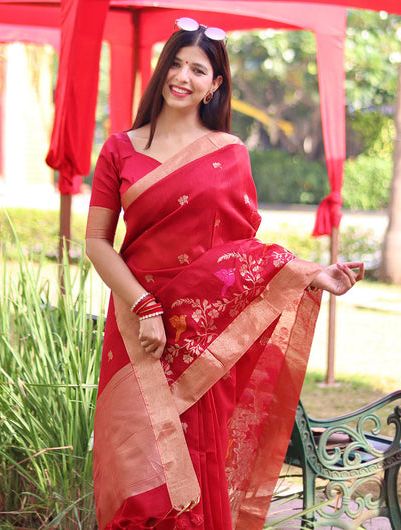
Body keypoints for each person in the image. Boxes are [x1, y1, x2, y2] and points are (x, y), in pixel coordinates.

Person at [85, 17, 363, 530]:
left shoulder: (229, 153)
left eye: (198, 69)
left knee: (193, 460)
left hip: (198, 335)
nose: (183, 76)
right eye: (177, 63)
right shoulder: (120, 149)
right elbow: (96, 243)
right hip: (135, 328)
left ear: (215, 85)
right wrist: (144, 306)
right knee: (137, 472)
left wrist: (310, 274)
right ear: (162, 67)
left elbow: (243, 251)